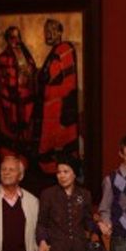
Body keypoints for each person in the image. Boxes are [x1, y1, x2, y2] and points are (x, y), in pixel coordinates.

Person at [37, 161, 100, 251]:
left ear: (74, 174)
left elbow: (88, 221)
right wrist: (42, 241)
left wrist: (98, 226)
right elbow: (41, 223)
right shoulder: (48, 194)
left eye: (66, 172)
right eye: (59, 172)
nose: (62, 176)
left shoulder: (84, 194)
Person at [33, 18, 81, 191]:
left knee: (57, 144)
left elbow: (52, 77)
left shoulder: (64, 49)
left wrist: (38, 75)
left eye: (52, 30)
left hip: (58, 106)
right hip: (52, 106)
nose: (49, 34)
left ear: (60, 32)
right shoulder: (58, 50)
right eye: (46, 31)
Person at [0, 26, 38, 172]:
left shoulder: (27, 56)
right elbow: (0, 83)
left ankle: (25, 166)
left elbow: (33, 75)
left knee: (26, 136)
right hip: (11, 104)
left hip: (27, 102)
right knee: (11, 138)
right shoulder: (2, 58)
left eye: (18, 37)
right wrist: (10, 100)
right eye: (13, 37)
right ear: (7, 39)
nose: (16, 41)